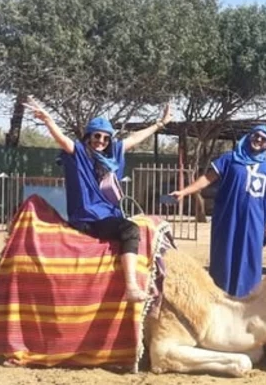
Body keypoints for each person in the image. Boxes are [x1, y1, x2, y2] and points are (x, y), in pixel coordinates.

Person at [24, 97, 171, 303]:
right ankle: (131, 286)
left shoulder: (113, 158)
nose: (101, 141)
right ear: (88, 137)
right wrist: (48, 120)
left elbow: (134, 138)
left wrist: (160, 123)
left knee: (148, 227)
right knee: (130, 230)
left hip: (109, 216)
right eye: (97, 136)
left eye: (105, 138)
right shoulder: (78, 155)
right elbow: (62, 140)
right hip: (89, 219)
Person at [169, 125, 266, 297]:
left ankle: (247, 297)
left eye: (264, 139)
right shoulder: (229, 159)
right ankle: (221, 295)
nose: (259, 140)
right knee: (225, 255)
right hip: (229, 218)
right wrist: (184, 192)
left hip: (255, 222)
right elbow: (207, 178)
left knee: (250, 257)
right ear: (250, 136)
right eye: (256, 136)